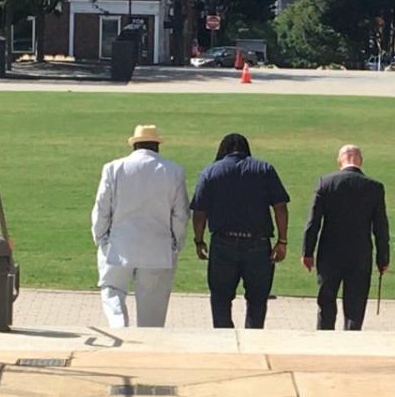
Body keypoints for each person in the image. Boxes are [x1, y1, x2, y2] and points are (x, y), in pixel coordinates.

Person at [91, 125, 189, 328]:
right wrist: (175, 244)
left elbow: (102, 208)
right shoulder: (173, 171)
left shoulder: (114, 168)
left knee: (112, 291)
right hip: (157, 247)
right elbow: (180, 215)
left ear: (134, 145)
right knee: (152, 312)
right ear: (157, 146)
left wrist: (100, 238)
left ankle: (120, 330)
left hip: (119, 246)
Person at [191, 133, 290, 329]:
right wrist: (282, 240)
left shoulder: (210, 172)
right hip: (258, 244)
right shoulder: (264, 169)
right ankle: (252, 342)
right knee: (257, 300)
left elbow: (199, 212)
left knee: (220, 298)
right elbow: (280, 207)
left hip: (223, 243)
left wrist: (199, 240)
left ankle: (224, 340)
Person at [302, 144, 389, 331]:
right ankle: (351, 341)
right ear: (361, 161)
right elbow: (381, 227)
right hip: (360, 255)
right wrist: (383, 259)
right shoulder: (374, 188)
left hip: (329, 254)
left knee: (326, 303)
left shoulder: (325, 183)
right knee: (355, 308)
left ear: (339, 160)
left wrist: (307, 252)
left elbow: (313, 222)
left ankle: (324, 341)